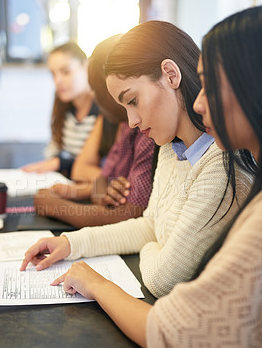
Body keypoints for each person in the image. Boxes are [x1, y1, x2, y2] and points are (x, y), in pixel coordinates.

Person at [21, 20, 253, 299]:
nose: (131, 121)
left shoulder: (220, 165)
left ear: (170, 75)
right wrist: (70, 243)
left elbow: (162, 279)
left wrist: (150, 243)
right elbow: (147, 224)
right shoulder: (169, 146)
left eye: (132, 101)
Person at [33, 35, 155, 228]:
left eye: (97, 92)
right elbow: (101, 184)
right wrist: (102, 191)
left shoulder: (147, 132)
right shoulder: (125, 127)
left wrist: (56, 206)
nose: (96, 100)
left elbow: (131, 213)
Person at [22, 41, 101, 179]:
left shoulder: (101, 109)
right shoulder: (64, 105)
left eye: (66, 72)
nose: (57, 80)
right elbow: (54, 145)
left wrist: (60, 163)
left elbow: (99, 165)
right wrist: (55, 161)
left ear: (86, 67)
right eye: (53, 74)